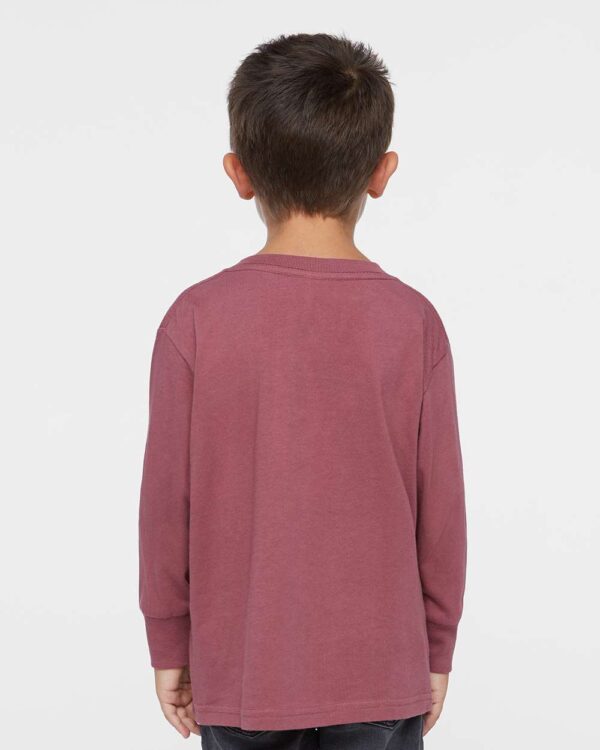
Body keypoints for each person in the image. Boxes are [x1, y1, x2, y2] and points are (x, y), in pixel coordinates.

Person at [138, 32, 467, 750]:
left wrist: (170, 640)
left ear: (238, 172)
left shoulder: (195, 320)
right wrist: (437, 648)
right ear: (381, 172)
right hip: (382, 670)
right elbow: (441, 510)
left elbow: (166, 504)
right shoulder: (413, 322)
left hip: (243, 672)